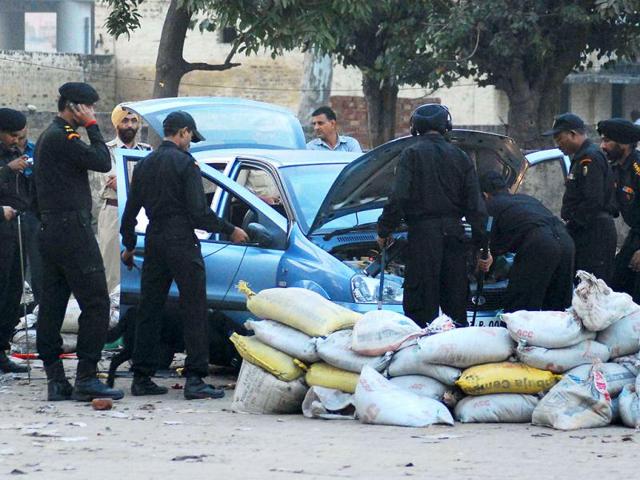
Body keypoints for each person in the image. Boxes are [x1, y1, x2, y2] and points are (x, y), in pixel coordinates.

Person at [120, 111, 249, 399]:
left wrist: (129, 245)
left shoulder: (144, 164)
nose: (190, 142)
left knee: (149, 309)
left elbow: (130, 213)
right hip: (181, 241)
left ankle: (141, 377)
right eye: (191, 137)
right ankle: (195, 379)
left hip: (154, 241)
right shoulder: (186, 164)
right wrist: (230, 229)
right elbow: (198, 213)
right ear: (184, 132)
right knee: (194, 308)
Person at [34, 82, 124, 402]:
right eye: (88, 108)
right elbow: (101, 160)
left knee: (54, 304)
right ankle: (87, 376)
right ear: (74, 107)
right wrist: (93, 128)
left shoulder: (48, 137)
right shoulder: (63, 135)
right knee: (97, 302)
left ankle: (56, 379)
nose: (91, 113)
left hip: (51, 228)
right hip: (71, 229)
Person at [376, 104, 487, 328]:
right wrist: (482, 249)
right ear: (447, 126)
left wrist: (384, 230)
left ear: (415, 128)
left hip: (422, 238)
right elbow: (477, 209)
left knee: (421, 309)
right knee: (456, 307)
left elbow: (398, 198)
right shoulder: (462, 157)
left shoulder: (412, 154)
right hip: (455, 238)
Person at [477, 171, 575, 312]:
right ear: (508, 189)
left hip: (540, 244)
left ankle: (519, 334)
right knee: (557, 309)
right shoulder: (526, 199)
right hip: (566, 242)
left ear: (485, 195)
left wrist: (485, 271)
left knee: (520, 309)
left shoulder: (491, 205)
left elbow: (487, 242)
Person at [544, 113, 617, 283]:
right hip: (586, 231)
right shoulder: (580, 158)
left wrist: (572, 225)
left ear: (572, 134)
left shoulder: (589, 158)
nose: (558, 144)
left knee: (593, 289)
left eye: (559, 138)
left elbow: (593, 200)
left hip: (594, 233)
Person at [90, 105, 151, 293]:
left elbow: (151, 183)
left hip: (142, 214)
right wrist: (135, 184)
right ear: (117, 124)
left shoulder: (146, 152)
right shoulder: (106, 152)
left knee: (141, 263)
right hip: (113, 212)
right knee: (110, 266)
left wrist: (127, 183)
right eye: (125, 120)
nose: (130, 125)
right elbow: (107, 182)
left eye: (133, 121)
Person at [0, 108, 31, 374]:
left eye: (20, 136)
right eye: (11, 136)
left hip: (17, 233)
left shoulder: (18, 154)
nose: (15, 141)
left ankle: (2, 350)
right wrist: (7, 170)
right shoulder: (7, 162)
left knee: (12, 295)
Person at [597, 118, 640, 301]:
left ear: (624, 144)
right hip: (635, 235)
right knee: (615, 287)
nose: (602, 146)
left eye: (607, 141)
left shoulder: (637, 168)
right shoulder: (617, 168)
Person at [16, 126, 44, 306]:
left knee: (38, 266)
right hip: (9, 215)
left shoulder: (36, 151)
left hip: (33, 213)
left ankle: (38, 308)